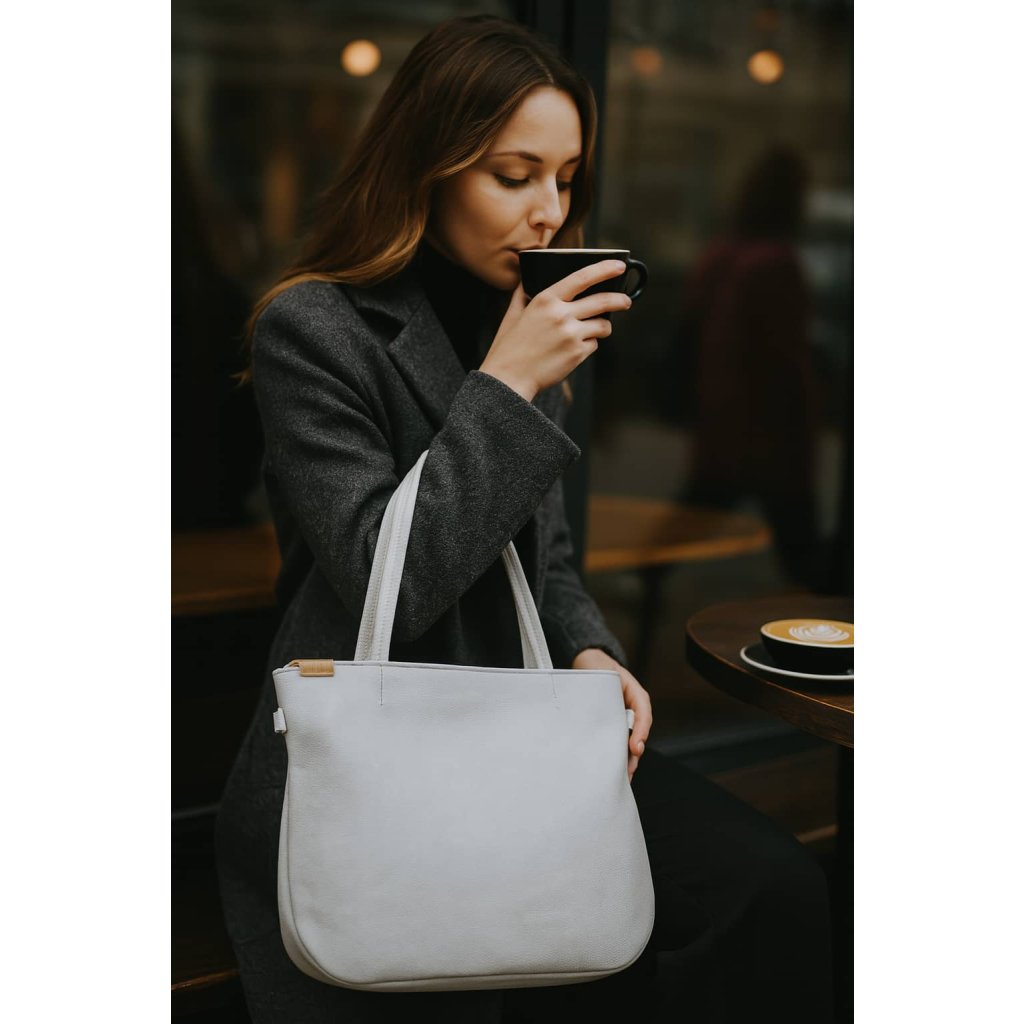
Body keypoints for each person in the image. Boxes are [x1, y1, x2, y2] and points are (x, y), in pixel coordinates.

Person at [216, 16, 834, 1023]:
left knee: (765, 890)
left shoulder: (524, 317)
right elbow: (387, 583)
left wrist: (589, 647)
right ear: (427, 165)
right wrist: (506, 384)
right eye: (513, 175)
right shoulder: (316, 327)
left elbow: (543, 560)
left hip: (529, 722)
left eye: (566, 178)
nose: (549, 211)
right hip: (382, 744)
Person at [678, 145, 824, 589]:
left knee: (688, 523)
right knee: (804, 553)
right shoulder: (776, 265)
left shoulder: (722, 254)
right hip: (766, 429)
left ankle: (645, 589)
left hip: (723, 416)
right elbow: (783, 359)